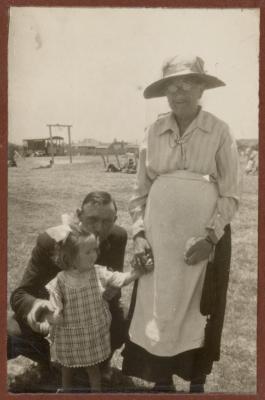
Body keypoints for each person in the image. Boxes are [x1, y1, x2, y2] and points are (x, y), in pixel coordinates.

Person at [122, 55, 240, 393]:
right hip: (158, 237)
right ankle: (161, 379)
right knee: (158, 301)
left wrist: (211, 237)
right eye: (172, 85)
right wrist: (140, 235)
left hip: (202, 238)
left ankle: (196, 379)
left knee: (201, 304)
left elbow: (231, 192)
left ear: (202, 88)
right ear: (165, 92)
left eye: (188, 83)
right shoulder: (153, 131)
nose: (179, 91)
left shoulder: (219, 130)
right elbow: (138, 191)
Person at [8, 191, 127, 383]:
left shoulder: (118, 236)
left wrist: (111, 291)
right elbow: (20, 294)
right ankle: (45, 363)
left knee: (127, 318)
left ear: (116, 218)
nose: (99, 228)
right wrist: (40, 305)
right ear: (78, 214)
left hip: (91, 316)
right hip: (53, 318)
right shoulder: (50, 240)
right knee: (8, 332)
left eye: (107, 221)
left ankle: (100, 361)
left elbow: (114, 286)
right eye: (92, 219)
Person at [43, 229, 151, 393]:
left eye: (95, 249)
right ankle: (67, 391)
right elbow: (55, 300)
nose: (94, 254)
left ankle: (96, 392)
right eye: (88, 251)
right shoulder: (61, 279)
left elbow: (120, 279)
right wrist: (55, 312)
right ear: (70, 257)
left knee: (93, 368)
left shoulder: (98, 272)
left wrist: (138, 272)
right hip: (69, 334)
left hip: (92, 333)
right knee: (66, 367)